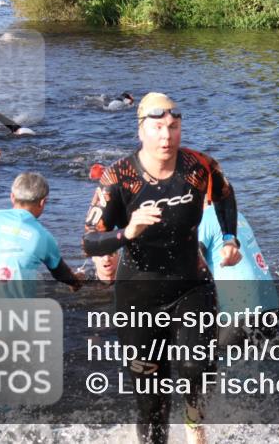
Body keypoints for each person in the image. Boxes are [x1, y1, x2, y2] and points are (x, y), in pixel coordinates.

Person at [82, 92, 240, 444]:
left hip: (191, 285)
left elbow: (226, 194)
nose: (166, 136)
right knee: (151, 401)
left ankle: (194, 420)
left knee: (195, 367)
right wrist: (128, 232)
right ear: (142, 131)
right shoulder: (118, 177)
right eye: (157, 127)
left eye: (173, 127)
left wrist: (230, 239)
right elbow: (90, 240)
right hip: (138, 296)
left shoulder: (199, 167)